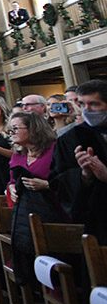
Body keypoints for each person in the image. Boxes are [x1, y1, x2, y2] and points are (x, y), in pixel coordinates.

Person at [7, 111, 61, 286]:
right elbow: (12, 180)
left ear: (34, 129)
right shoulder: (19, 153)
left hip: (54, 211)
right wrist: (12, 188)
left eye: (15, 128)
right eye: (10, 129)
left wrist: (46, 185)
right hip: (25, 215)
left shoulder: (55, 149)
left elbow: (70, 179)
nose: (11, 132)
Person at [52, 79, 107, 242]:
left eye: (94, 104)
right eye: (82, 104)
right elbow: (57, 179)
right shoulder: (70, 138)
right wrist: (83, 176)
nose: (86, 110)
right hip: (97, 220)